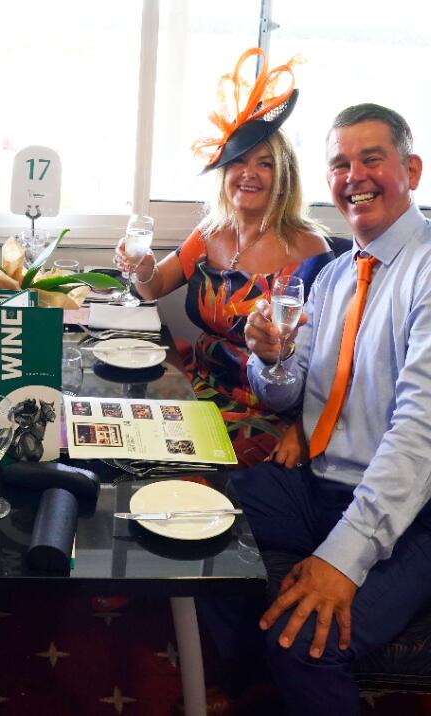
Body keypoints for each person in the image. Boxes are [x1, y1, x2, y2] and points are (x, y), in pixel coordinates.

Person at [239, 102, 431, 714]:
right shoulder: (334, 276)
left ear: (412, 170)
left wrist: (341, 561)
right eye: (340, 165)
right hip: (320, 483)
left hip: (413, 515)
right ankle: (239, 685)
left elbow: (419, 435)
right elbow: (291, 392)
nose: (355, 177)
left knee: (305, 643)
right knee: (201, 518)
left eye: (372, 159)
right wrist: (272, 359)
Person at [115, 48, 332, 466]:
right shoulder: (211, 231)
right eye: (238, 162)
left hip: (263, 411)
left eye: (264, 164)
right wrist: (144, 268)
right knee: (127, 431)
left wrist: (304, 426)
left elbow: (327, 360)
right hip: (196, 383)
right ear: (225, 173)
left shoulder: (310, 250)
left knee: (172, 465)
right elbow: (154, 286)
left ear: (284, 178)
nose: (248, 173)